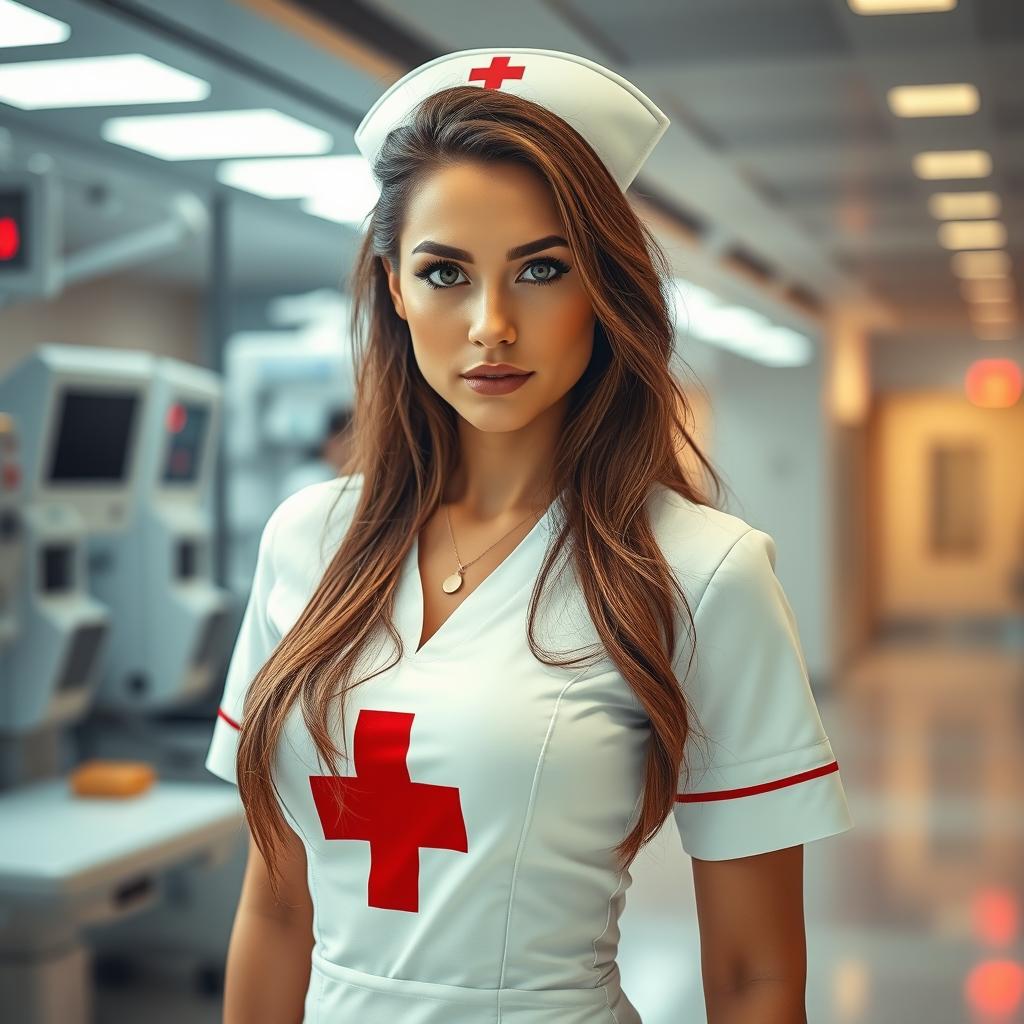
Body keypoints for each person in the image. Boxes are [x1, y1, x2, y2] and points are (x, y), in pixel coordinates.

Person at [205, 47, 855, 1024]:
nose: (491, 325)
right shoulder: (307, 538)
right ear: (393, 286)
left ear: (604, 288)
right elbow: (276, 907)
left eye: (542, 269)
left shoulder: (702, 570)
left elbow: (754, 972)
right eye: (445, 272)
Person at [277, 407, 352, 502]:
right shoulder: (310, 479)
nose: (355, 452)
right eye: (350, 443)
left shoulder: (336, 476)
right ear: (333, 443)